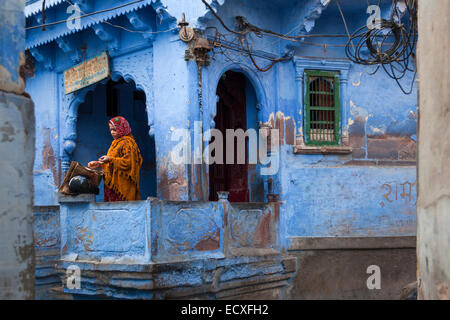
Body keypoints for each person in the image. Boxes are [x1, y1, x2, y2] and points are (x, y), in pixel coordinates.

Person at [88, 116, 143, 202]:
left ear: (123, 128)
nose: (112, 132)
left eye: (115, 129)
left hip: (122, 187)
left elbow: (128, 163)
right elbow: (111, 162)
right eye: (111, 130)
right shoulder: (115, 143)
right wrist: (99, 163)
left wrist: (110, 159)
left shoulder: (128, 143)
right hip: (111, 185)